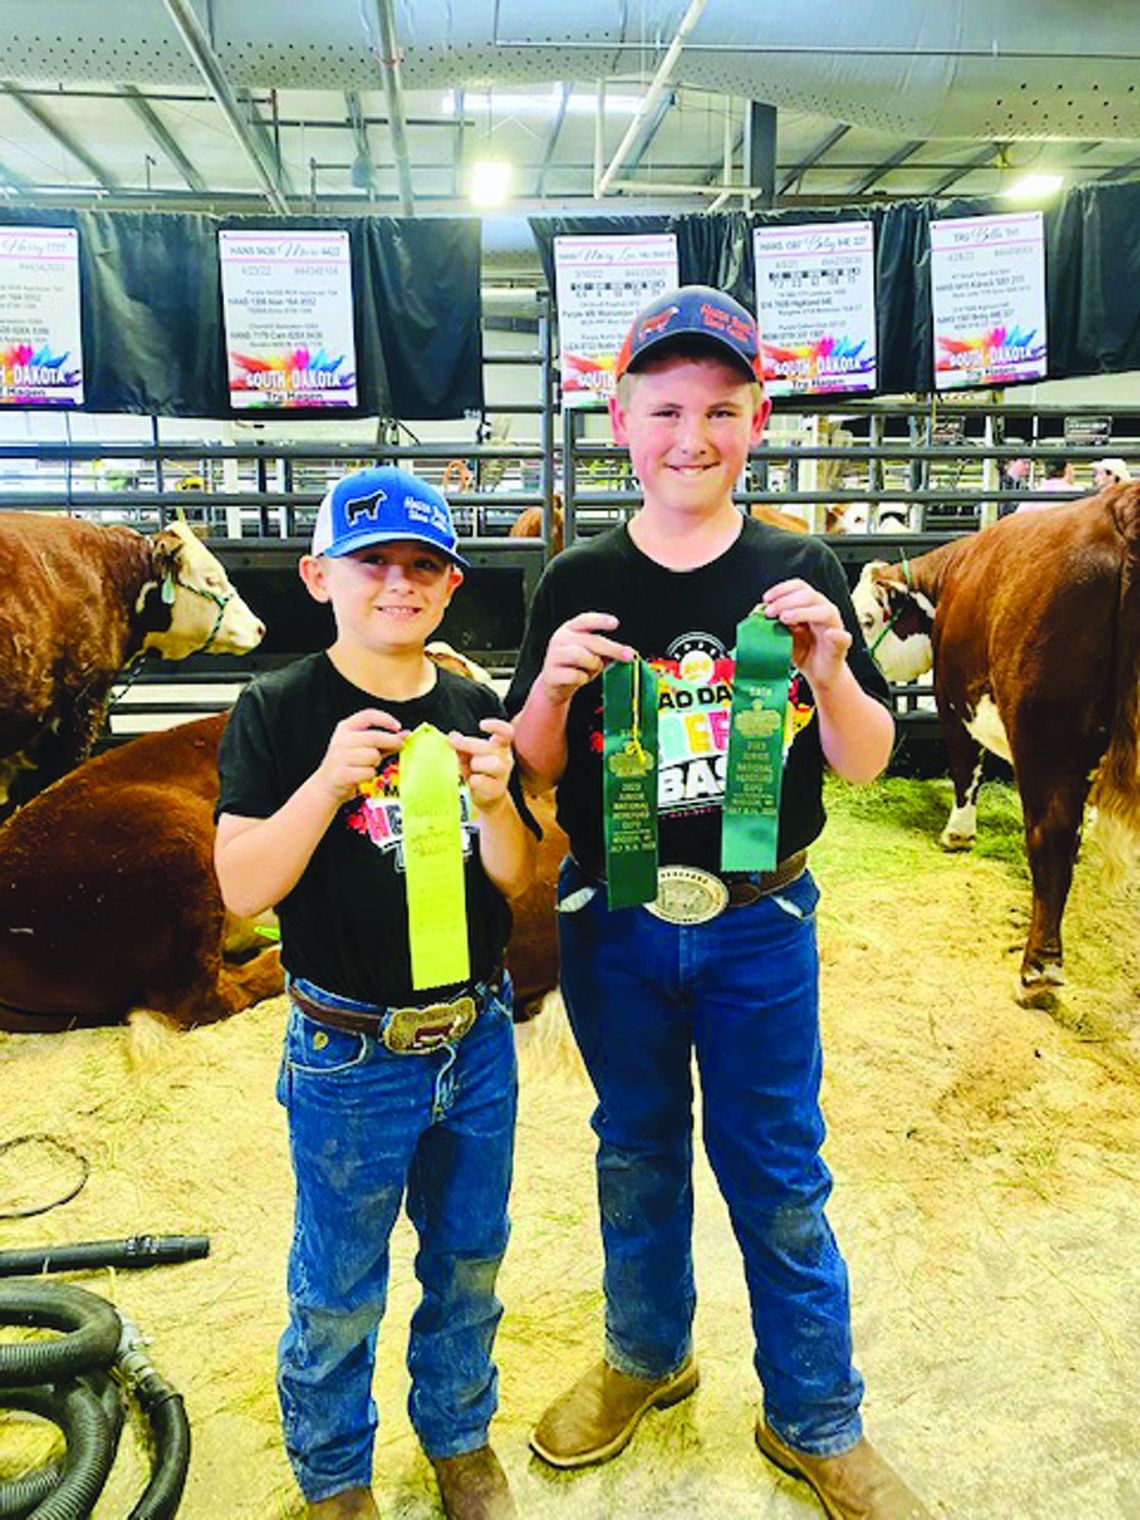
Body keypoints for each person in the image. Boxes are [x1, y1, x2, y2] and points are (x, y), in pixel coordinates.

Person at [506, 286, 932, 1519]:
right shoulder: (576, 577)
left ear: (758, 419)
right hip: (615, 914)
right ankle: (649, 1354)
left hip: (761, 917)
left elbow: (861, 760)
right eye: (667, 409)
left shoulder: (800, 565)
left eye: (721, 410)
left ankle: (815, 1413)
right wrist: (554, 691)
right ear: (621, 418)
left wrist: (835, 668)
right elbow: (532, 767)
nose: (692, 436)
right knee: (634, 1147)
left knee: (779, 1164)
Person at [215, 466, 537, 1520]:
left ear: (449, 587)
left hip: (474, 1037)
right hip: (349, 1050)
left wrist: (499, 806)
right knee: (340, 1284)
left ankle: (457, 1434)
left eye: (423, 566)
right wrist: (324, 783)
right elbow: (241, 885)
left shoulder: (472, 704)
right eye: (372, 563)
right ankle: (335, 1475)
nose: (398, 583)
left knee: (471, 1257)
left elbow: (515, 877)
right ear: (320, 576)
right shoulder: (276, 709)